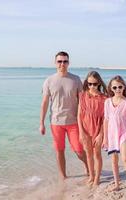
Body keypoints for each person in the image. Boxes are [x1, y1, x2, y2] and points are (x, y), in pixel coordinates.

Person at [39, 51, 88, 179]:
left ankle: (90, 170)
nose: (62, 64)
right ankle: (63, 178)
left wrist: (85, 120)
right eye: (59, 61)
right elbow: (44, 103)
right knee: (59, 151)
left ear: (68, 63)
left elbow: (83, 101)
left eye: (65, 61)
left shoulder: (76, 79)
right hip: (56, 122)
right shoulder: (49, 81)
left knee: (79, 150)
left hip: (73, 122)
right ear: (55, 63)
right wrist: (41, 123)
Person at [102, 75, 126, 198]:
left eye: (120, 87)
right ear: (111, 88)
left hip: (124, 134)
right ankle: (117, 184)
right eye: (115, 87)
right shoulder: (107, 102)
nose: (117, 89)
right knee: (114, 160)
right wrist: (105, 138)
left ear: (124, 87)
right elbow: (106, 120)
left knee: (124, 158)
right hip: (111, 134)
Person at [77, 71, 107, 187]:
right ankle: (91, 176)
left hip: (98, 129)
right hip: (85, 129)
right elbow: (79, 115)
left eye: (94, 84)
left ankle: (97, 178)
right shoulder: (83, 95)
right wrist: (81, 132)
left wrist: (101, 134)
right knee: (88, 154)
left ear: (99, 83)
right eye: (89, 84)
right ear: (87, 83)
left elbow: (106, 118)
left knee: (97, 154)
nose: (92, 86)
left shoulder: (104, 98)